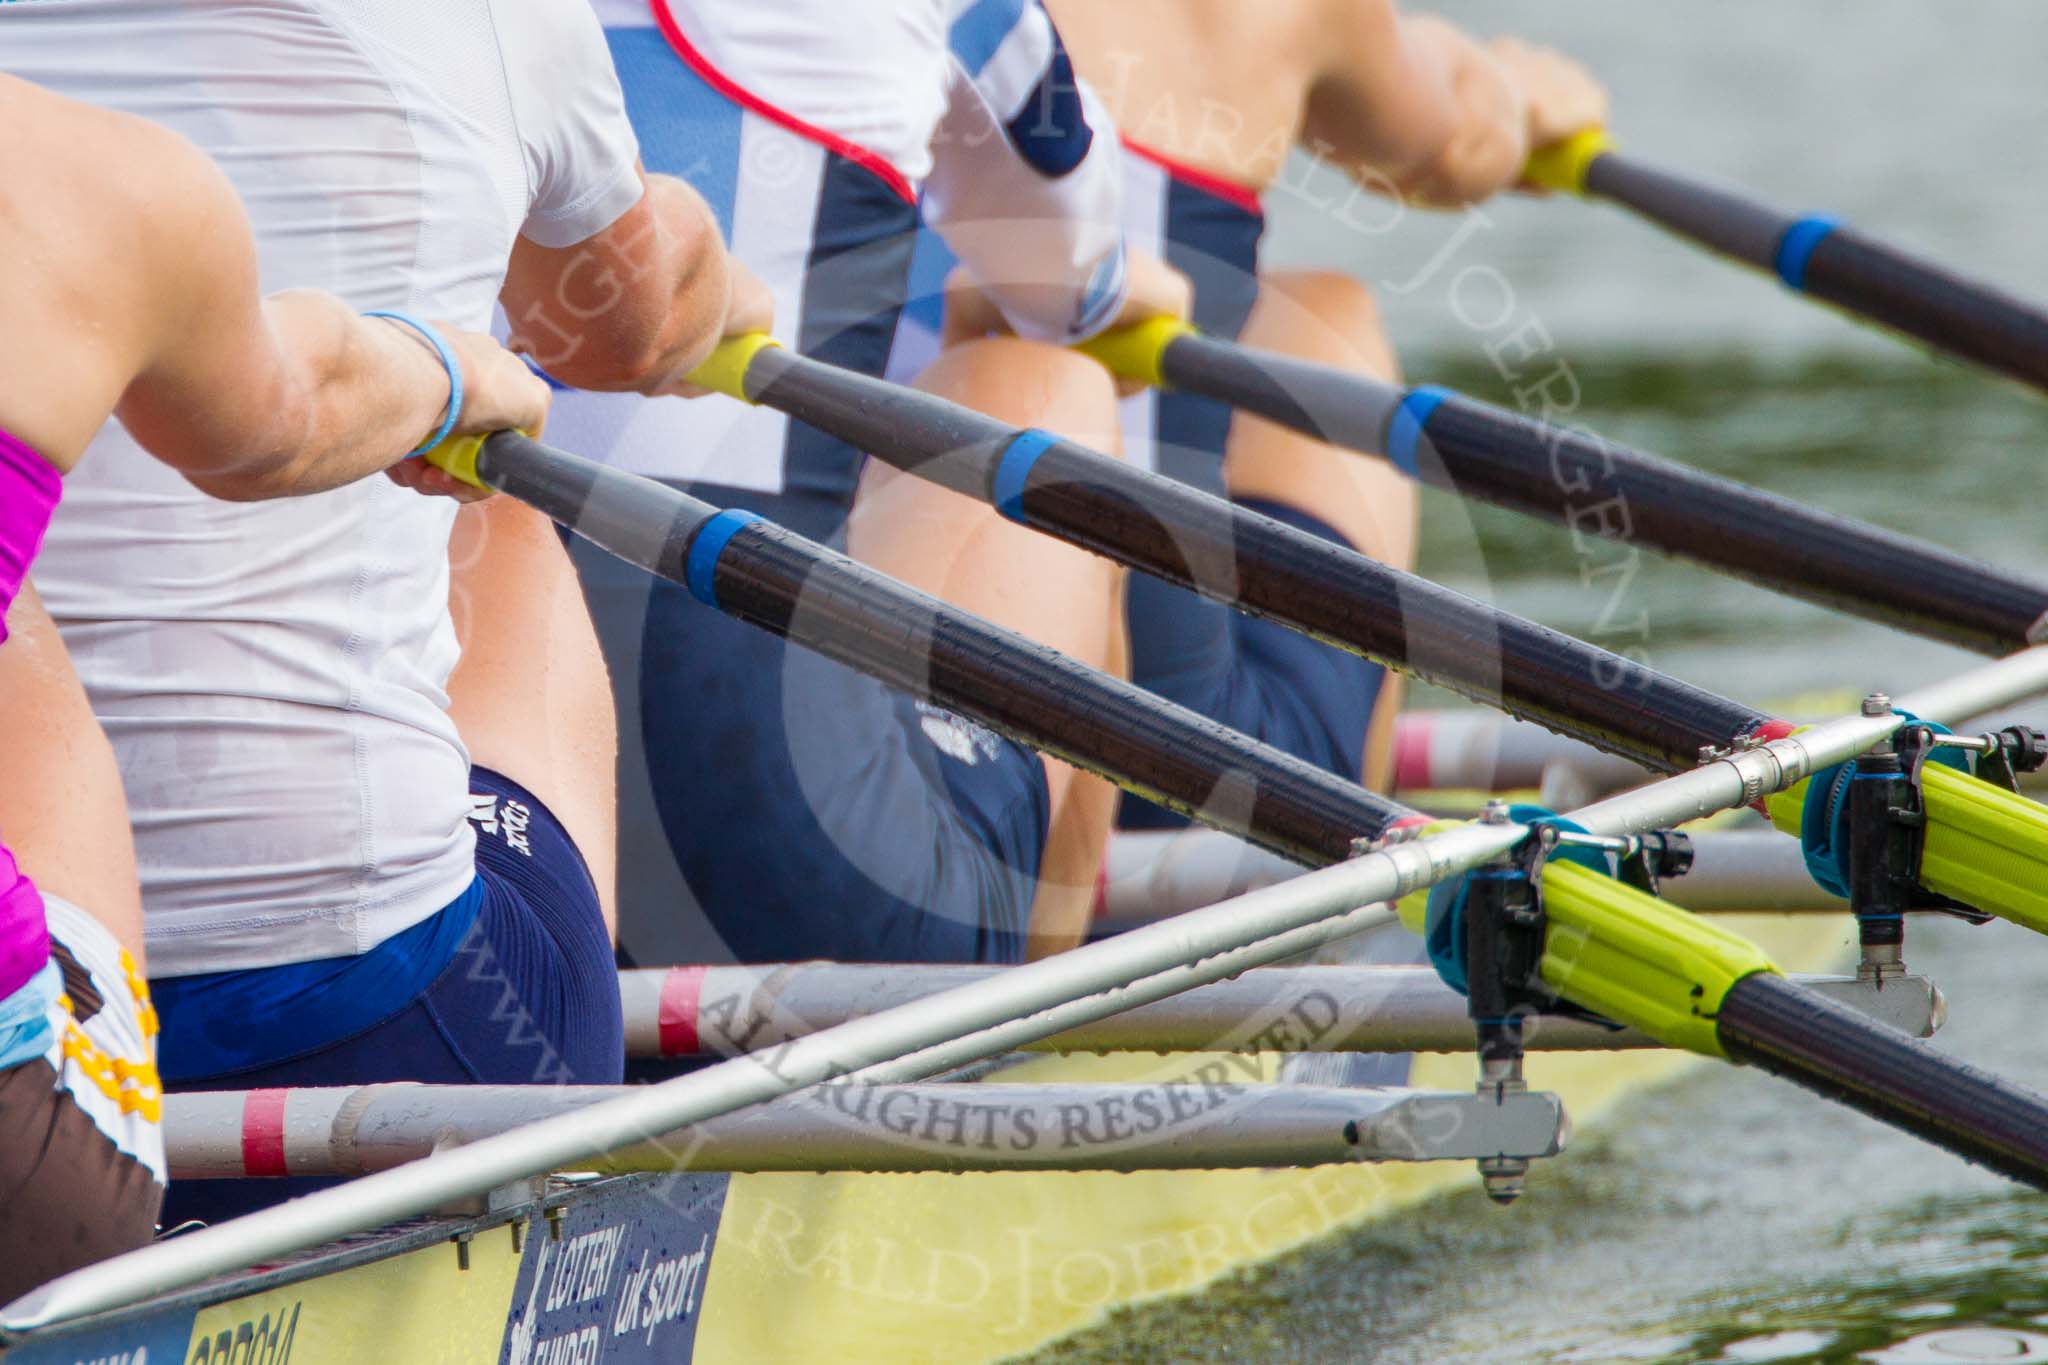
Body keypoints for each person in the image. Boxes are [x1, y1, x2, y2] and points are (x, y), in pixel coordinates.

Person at [1, 0, 758, 1222]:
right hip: (355, 1015)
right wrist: (718, 281)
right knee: (496, 494)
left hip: (61, 983)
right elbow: (632, 330)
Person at [0, 73, 548, 1294]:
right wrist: (460, 376)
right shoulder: (102, 182)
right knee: (517, 539)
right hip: (24, 1182)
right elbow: (293, 421)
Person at [553, 0, 1187, 974]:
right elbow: (1068, 284)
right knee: (1044, 380)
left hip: (481, 882)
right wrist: (1119, 291)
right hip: (814, 901)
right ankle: (1036, 1000)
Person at [936, 1, 1606, 823]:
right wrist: (1517, 89)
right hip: (1173, 771)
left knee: (1275, 310)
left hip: (828, 699)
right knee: (1332, 320)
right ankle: (1340, 866)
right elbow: (1455, 143)